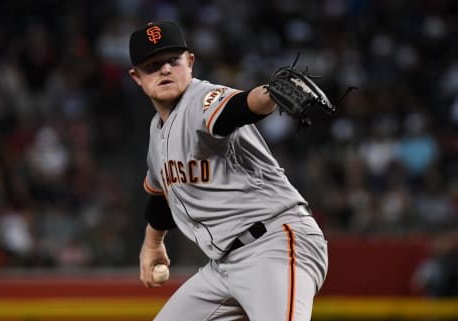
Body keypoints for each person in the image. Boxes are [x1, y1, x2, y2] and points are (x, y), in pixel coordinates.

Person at [129, 21, 328, 321]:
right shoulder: (157, 132)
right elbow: (160, 195)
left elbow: (240, 106)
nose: (166, 70)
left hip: (273, 244)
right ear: (137, 77)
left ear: (190, 62)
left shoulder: (201, 99)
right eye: (153, 65)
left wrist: (271, 94)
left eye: (173, 60)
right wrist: (152, 244)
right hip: (222, 267)